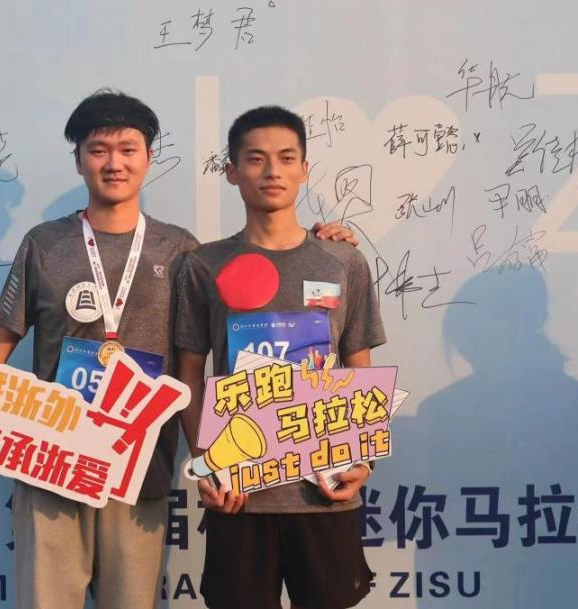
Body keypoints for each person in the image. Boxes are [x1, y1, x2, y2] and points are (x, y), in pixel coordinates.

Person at [0, 91, 357, 609]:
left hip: (139, 472)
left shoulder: (183, 251)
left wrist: (322, 243)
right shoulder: (44, 245)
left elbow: (229, 328)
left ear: (149, 158)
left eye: (128, 149)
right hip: (50, 466)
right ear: (79, 160)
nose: (114, 163)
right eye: (98, 150)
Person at [175, 105, 386, 609]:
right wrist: (207, 464)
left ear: (304, 169)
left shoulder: (343, 260)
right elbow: (188, 377)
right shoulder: (203, 265)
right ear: (232, 172)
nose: (272, 171)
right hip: (240, 495)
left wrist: (364, 458)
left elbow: (359, 368)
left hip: (325, 490)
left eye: (287, 158)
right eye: (256, 159)